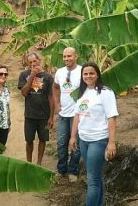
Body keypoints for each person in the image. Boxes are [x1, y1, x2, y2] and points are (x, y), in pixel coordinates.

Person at [69, 62, 119, 206]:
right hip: (84, 139)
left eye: (91, 73)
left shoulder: (105, 92)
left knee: (92, 181)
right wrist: (73, 137)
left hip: (99, 140)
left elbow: (112, 118)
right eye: (85, 73)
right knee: (96, 177)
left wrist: (111, 142)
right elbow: (77, 116)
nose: (88, 76)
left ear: (97, 75)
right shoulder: (82, 92)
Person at [18, 51, 54, 165]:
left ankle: (39, 163)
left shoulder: (48, 77)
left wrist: (51, 117)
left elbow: (51, 97)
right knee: (29, 140)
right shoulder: (24, 75)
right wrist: (32, 75)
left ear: (39, 61)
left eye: (35, 61)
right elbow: (24, 93)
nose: (33, 64)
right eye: (30, 62)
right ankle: (29, 163)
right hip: (30, 115)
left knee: (43, 140)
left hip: (44, 115)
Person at [53, 47, 81, 182]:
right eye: (64, 56)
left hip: (77, 114)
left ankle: (73, 170)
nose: (66, 59)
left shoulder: (82, 71)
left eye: (69, 56)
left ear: (76, 56)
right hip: (63, 114)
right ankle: (61, 170)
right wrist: (57, 104)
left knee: (75, 144)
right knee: (61, 143)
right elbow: (56, 87)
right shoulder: (59, 72)